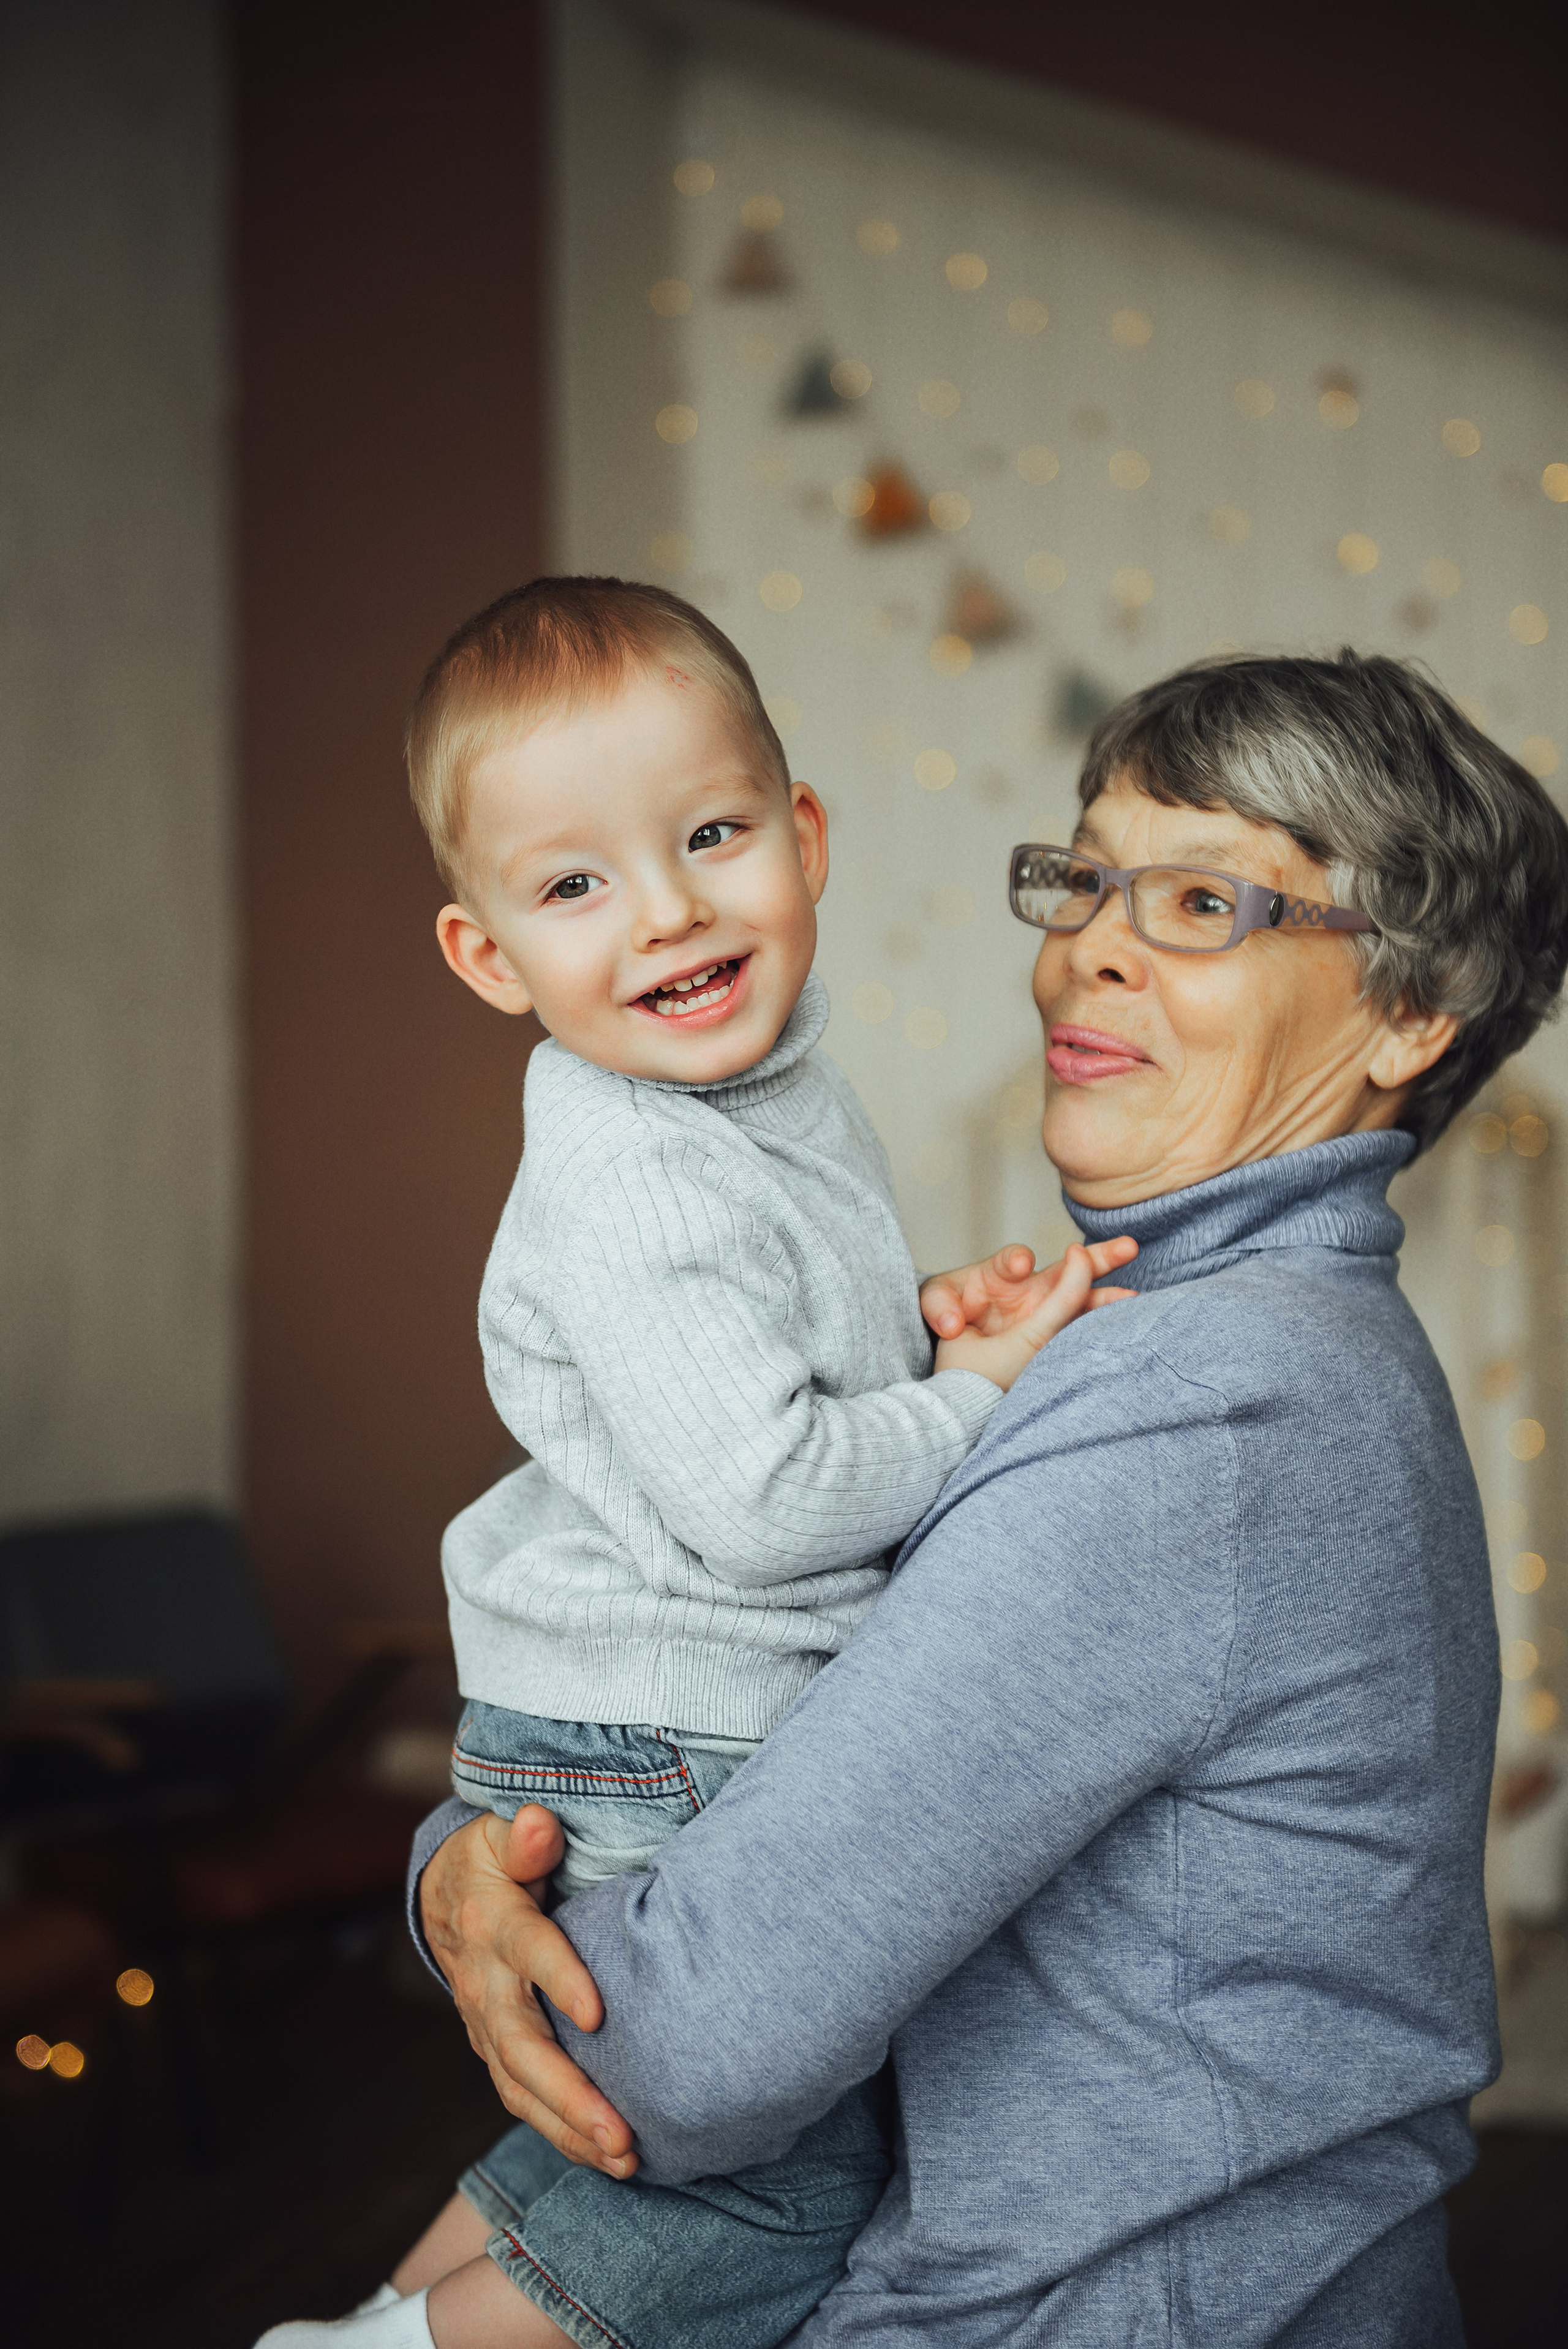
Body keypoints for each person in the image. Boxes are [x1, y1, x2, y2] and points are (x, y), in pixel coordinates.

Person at [402, 650, 1568, 2347]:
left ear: (1412, 1009)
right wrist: (470, 1860)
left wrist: (470, 1891)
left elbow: (688, 2057)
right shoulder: (1224, 1341)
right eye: (1085, 876)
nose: (1089, 941)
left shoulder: (1203, 1401)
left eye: (1198, 899)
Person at [258, 578, 1134, 2349]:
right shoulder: (639, 1168)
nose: (665, 912)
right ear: (490, 955)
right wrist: (970, 1401)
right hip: (673, 1729)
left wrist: (912, 1333)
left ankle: (378, 2310)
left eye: (711, 834)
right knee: (783, 2185)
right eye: (574, 883)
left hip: (638, 1710)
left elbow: (760, 1358)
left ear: (803, 839)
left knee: (635, 2145)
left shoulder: (753, 1087)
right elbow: (763, 1500)